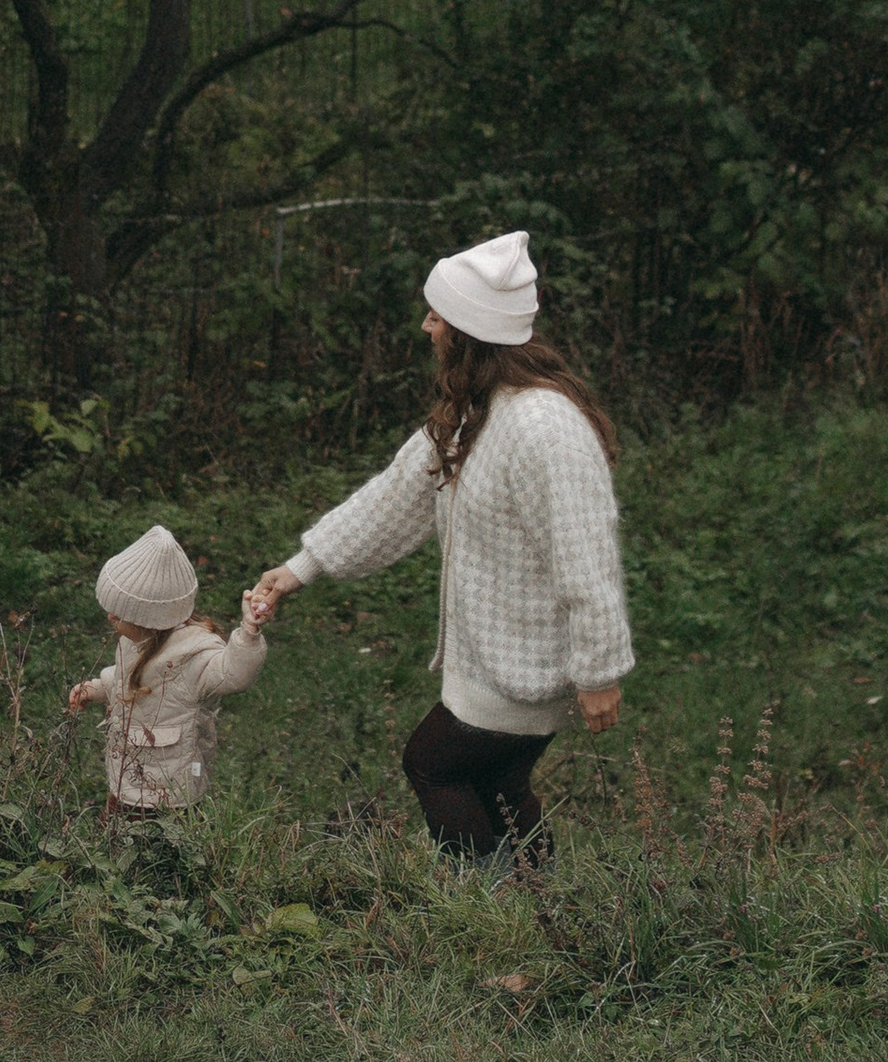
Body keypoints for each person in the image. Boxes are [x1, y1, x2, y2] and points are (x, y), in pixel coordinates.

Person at [244, 231, 627, 868]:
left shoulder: (544, 426)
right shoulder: (476, 413)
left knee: (433, 765)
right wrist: (299, 568)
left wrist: (599, 670)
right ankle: (543, 900)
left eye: (438, 315)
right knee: (499, 784)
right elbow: (395, 498)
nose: (427, 325)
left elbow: (585, 554)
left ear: (471, 331)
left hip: (526, 663)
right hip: (494, 659)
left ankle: (489, 899)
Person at [68, 522, 267, 826]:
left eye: (120, 614)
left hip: (171, 792)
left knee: (162, 844)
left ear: (149, 620)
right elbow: (126, 679)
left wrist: (249, 633)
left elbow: (234, 674)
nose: (110, 617)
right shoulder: (134, 641)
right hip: (127, 777)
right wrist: (97, 688)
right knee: (114, 835)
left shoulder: (194, 658)